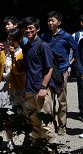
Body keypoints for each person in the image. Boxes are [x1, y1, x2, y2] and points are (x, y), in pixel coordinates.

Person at [40, 11, 78, 135]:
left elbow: (77, 50)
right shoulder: (44, 36)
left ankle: (62, 126)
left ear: (59, 22)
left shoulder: (66, 36)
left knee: (62, 100)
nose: (50, 23)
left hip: (61, 71)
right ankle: (52, 124)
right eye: (49, 20)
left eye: (53, 20)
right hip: (48, 72)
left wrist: (70, 63)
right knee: (50, 101)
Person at [21, 17, 56, 146]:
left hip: (41, 90)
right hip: (30, 89)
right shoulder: (26, 48)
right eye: (26, 28)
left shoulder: (43, 45)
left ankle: (50, 149)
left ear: (37, 29)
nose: (28, 30)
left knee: (46, 123)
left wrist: (43, 87)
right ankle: (37, 148)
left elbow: (49, 68)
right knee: (34, 123)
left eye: (31, 28)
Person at [0, 28, 26, 151]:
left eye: (13, 40)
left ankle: (27, 137)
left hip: (17, 86)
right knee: (6, 115)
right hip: (4, 86)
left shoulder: (22, 53)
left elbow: (18, 71)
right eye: (8, 39)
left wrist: (13, 56)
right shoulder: (3, 52)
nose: (10, 42)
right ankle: (10, 140)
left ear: (19, 40)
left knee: (21, 113)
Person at [71, 14, 83, 122]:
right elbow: (75, 53)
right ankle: (82, 111)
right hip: (81, 66)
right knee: (81, 89)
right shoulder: (76, 36)